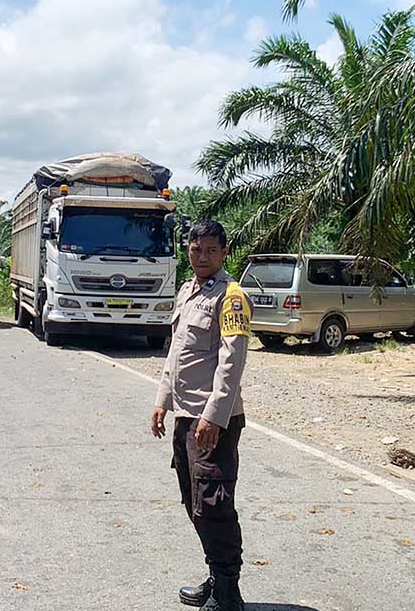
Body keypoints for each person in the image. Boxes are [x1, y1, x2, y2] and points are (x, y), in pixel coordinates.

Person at [150, 220, 252, 611]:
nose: (203, 257)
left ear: (225, 252)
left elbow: (232, 362)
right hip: (185, 417)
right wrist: (162, 400)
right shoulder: (188, 292)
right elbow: (175, 355)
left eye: (211, 250)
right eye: (196, 249)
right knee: (194, 502)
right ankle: (216, 576)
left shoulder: (232, 297)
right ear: (188, 251)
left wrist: (214, 415)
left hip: (213, 421)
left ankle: (229, 592)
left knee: (213, 505)